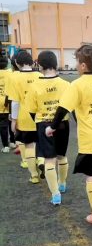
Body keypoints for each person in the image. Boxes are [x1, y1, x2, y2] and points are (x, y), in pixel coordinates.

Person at [46, 43, 92, 224]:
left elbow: (62, 109)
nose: (76, 65)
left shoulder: (77, 85)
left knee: (91, 175)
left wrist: (51, 127)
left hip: (90, 140)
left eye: (77, 62)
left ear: (84, 66)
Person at [25, 51, 70, 205]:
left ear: (40, 65)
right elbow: (69, 106)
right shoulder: (66, 84)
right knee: (62, 156)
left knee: (49, 159)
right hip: (63, 124)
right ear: (55, 64)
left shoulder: (34, 86)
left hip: (44, 124)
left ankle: (56, 193)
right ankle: (62, 184)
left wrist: (41, 122)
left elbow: (31, 110)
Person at [7, 51, 41, 181]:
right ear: (32, 62)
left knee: (29, 145)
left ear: (16, 63)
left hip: (24, 117)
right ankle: (41, 162)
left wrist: (13, 120)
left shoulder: (14, 77)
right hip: (39, 115)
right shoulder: (39, 75)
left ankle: (34, 176)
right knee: (40, 143)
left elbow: (15, 102)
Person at [0, 56, 11, 153]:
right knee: (11, 121)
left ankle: (5, 146)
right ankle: (12, 142)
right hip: (8, 100)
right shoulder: (9, 72)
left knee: (2, 125)